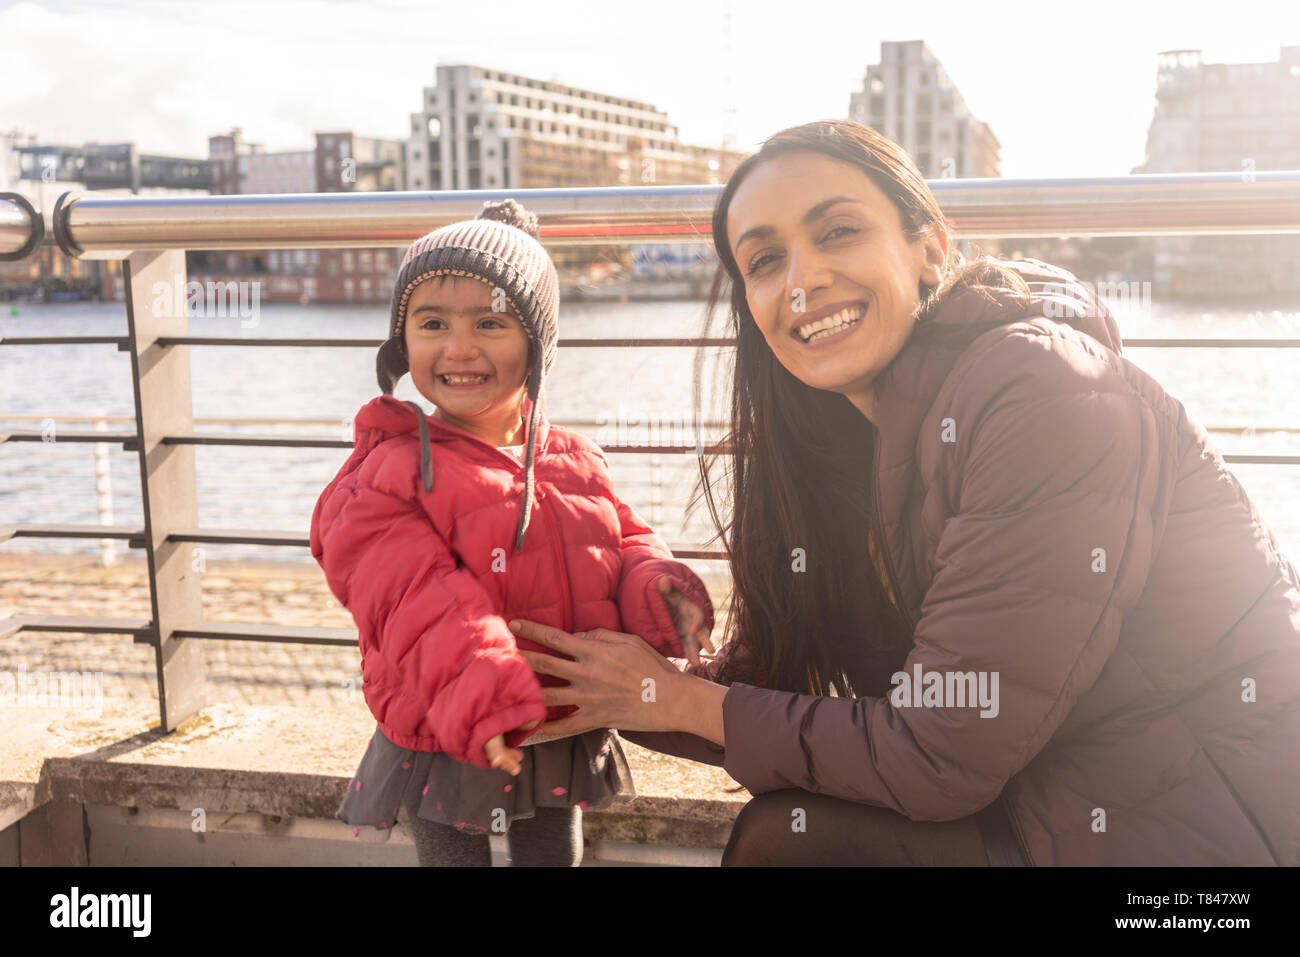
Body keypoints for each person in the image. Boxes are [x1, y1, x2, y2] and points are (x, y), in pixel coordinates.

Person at [507, 120, 1300, 866]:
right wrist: (594, 665)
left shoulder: (1042, 391)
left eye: (839, 232)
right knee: (791, 831)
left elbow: (939, 751)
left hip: (1217, 866)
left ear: (931, 248)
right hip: (1058, 813)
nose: (804, 279)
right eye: (765, 260)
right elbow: (759, 699)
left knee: (790, 840)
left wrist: (669, 700)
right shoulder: (857, 439)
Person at [309, 199, 715, 866]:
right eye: (433, 323)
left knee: (556, 853)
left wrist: (661, 590)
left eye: (490, 323)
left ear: (537, 345)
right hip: (446, 726)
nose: (459, 347)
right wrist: (483, 689)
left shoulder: (573, 459)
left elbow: (622, 542)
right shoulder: (388, 468)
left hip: (555, 721)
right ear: (401, 344)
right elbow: (417, 600)